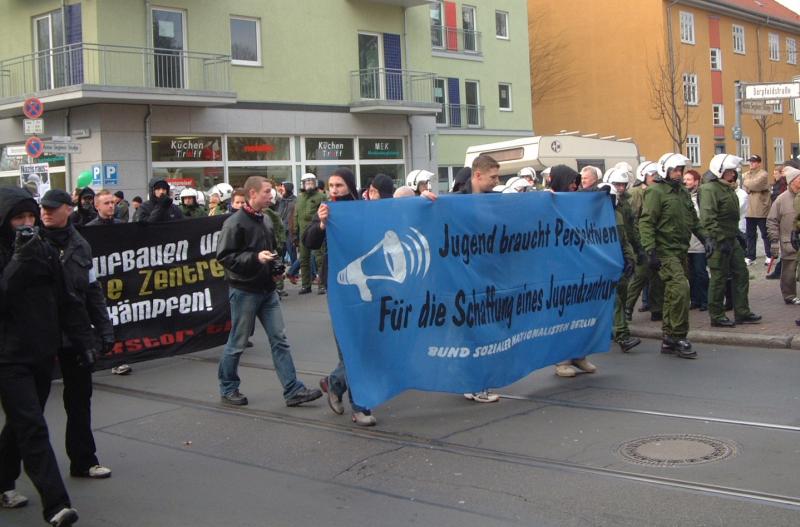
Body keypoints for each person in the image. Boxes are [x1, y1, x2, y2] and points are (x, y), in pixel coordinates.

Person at [0, 187, 97, 526]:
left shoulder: (42, 250)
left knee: (20, 423)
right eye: (18, 219)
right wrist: (17, 262)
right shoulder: (14, 254)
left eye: (30, 217)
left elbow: (67, 299)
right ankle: (56, 505)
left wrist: (85, 339)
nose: (27, 224)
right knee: (33, 426)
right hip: (7, 357)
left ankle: (2, 480)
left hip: (42, 351)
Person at [216, 176, 322, 407]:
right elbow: (224, 257)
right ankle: (228, 387)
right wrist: (255, 258)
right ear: (252, 194)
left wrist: (275, 269)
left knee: (280, 340)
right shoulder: (234, 223)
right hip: (245, 291)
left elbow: (270, 250)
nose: (270, 195)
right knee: (238, 342)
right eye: (266, 191)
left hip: (266, 289)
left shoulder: (266, 219)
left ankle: (292, 389)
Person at [39, 189, 115, 480]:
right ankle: (8, 476)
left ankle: (84, 460)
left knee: (80, 400)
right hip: (39, 333)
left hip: (76, 333)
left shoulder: (81, 245)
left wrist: (104, 330)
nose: (46, 212)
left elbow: (93, 291)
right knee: (29, 407)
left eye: (53, 207)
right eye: (43, 208)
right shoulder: (31, 243)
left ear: (68, 210)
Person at [303, 167, 379, 426]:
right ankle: (360, 407)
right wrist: (322, 224)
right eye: (331, 186)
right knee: (351, 346)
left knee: (365, 345)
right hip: (339, 286)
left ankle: (334, 383)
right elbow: (309, 241)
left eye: (339, 185)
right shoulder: (326, 210)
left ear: (349, 186)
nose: (334, 190)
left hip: (366, 283)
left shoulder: (363, 208)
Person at [639, 153, 706, 359]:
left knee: (672, 295)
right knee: (680, 289)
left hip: (680, 250)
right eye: (675, 170)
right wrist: (650, 250)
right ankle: (678, 336)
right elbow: (646, 222)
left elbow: (693, 220)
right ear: (665, 170)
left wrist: (706, 238)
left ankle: (668, 338)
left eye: (680, 170)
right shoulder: (655, 192)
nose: (678, 174)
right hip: (664, 251)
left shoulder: (683, 193)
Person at [699, 154, 761, 328]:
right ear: (719, 171)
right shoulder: (709, 189)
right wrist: (719, 238)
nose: (733, 174)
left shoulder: (727, 188)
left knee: (741, 274)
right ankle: (716, 315)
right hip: (718, 241)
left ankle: (742, 311)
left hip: (731, 238)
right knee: (718, 278)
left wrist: (736, 234)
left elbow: (732, 216)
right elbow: (708, 218)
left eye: (733, 171)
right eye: (729, 171)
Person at [606, 167, 641, 353]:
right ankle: (622, 334)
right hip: (604, 263)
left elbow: (626, 237)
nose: (619, 189)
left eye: (622, 185)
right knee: (616, 300)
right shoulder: (595, 215)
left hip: (619, 259)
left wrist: (632, 256)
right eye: (616, 185)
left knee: (621, 293)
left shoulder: (620, 211)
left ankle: (613, 330)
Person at [767, 166, 800, 304]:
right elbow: (772, 221)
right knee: (789, 270)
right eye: (799, 179)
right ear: (792, 181)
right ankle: (789, 295)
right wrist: (774, 241)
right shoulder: (781, 199)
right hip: (788, 241)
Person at [294, 174, 325, 294]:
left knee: (319, 259)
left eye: (312, 182)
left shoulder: (321, 196)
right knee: (303, 259)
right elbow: (295, 216)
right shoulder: (300, 198)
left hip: (316, 231)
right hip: (302, 232)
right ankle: (306, 285)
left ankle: (322, 285)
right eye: (307, 182)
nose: (309, 184)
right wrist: (294, 234)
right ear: (302, 184)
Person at [683, 170, 709, 311]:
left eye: (689, 179)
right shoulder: (683, 197)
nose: (686, 182)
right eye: (685, 179)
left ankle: (705, 299)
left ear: (697, 181)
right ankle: (695, 300)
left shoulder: (701, 197)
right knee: (690, 274)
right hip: (687, 242)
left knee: (701, 272)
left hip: (698, 242)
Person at [742, 154, 773, 266]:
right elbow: (744, 187)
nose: (751, 163)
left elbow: (754, 185)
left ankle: (769, 255)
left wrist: (747, 183)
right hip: (749, 209)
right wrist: (749, 185)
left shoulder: (763, 174)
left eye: (754, 162)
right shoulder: (747, 174)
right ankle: (751, 256)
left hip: (761, 209)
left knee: (765, 234)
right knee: (750, 234)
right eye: (750, 161)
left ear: (759, 163)